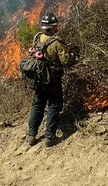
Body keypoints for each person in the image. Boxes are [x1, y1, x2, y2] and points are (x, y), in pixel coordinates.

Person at [26, 12, 78, 147]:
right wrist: (74, 55)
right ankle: (49, 137)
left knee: (37, 105)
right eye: (56, 26)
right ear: (53, 27)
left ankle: (31, 135)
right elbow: (66, 61)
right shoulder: (56, 43)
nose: (58, 27)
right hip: (52, 79)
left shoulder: (38, 38)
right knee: (54, 105)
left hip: (38, 79)